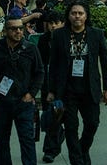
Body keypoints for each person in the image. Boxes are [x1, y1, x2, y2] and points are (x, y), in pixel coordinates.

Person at [47, 1, 107, 165]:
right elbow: (53, 64)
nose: (77, 16)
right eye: (73, 13)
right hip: (67, 91)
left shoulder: (96, 34)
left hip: (89, 88)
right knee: (70, 128)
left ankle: (83, 150)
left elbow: (105, 62)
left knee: (92, 123)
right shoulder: (59, 35)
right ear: (68, 16)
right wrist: (51, 90)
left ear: (86, 16)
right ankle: (77, 161)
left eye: (80, 13)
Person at [0, 17, 45, 165]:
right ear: (5, 31)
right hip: (2, 103)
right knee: (2, 142)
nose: (18, 31)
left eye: (20, 28)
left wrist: (31, 94)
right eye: (14, 28)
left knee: (27, 141)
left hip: (24, 104)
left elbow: (40, 72)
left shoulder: (30, 48)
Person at [38, 11, 66, 163]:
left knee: (61, 117)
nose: (53, 26)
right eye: (50, 23)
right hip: (48, 84)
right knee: (51, 117)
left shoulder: (68, 38)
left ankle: (56, 142)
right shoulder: (43, 40)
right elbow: (41, 63)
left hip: (66, 84)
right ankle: (50, 150)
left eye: (56, 23)